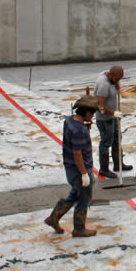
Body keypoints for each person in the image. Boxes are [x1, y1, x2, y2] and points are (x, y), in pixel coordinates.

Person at [45, 95, 98, 237]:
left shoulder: (69, 121)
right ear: (86, 113)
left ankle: (54, 217)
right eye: (92, 113)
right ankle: (79, 228)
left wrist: (86, 130)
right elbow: (77, 154)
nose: (92, 116)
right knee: (84, 198)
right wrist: (84, 174)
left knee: (75, 194)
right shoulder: (79, 130)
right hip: (78, 169)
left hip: (70, 167)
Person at [94, 66, 133, 179]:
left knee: (117, 139)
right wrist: (113, 113)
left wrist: (116, 84)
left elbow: (114, 80)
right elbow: (99, 105)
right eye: (116, 79)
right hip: (104, 119)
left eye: (119, 79)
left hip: (112, 117)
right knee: (106, 142)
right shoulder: (103, 84)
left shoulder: (109, 76)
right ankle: (104, 169)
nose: (118, 82)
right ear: (111, 75)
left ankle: (118, 164)